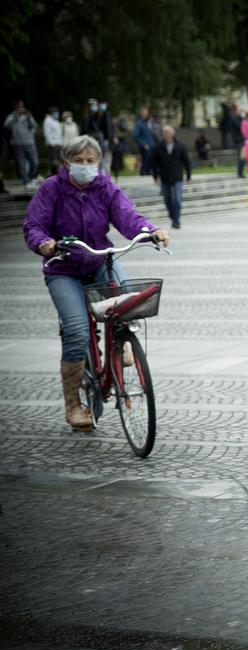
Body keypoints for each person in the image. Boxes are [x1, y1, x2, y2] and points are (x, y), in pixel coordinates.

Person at [21, 134, 170, 431]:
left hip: (98, 260)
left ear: (98, 162)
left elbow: (127, 217)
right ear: (67, 163)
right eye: (79, 161)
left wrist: (150, 231)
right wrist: (45, 243)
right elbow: (33, 225)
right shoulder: (51, 189)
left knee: (127, 300)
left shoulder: (105, 187)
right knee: (77, 331)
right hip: (62, 268)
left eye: (91, 161)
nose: (85, 167)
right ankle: (74, 404)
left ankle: (121, 341)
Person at [151, 124, 191, 229]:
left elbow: (186, 161)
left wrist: (189, 175)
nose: (165, 134)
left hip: (177, 176)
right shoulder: (159, 147)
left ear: (172, 134)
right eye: (163, 132)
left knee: (177, 198)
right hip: (165, 177)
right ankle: (173, 216)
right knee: (167, 199)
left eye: (167, 132)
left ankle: (176, 221)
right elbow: (154, 163)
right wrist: (155, 176)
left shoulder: (180, 146)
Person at [5, 100, 40, 189]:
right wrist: (15, 116)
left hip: (29, 142)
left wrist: (29, 117)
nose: (21, 108)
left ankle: (31, 179)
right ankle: (26, 182)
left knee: (34, 162)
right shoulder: (12, 116)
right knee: (21, 164)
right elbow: (6, 125)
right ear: (15, 107)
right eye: (19, 107)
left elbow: (35, 125)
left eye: (22, 106)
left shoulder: (27, 115)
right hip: (17, 143)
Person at [133, 106, 156, 174]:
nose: (145, 114)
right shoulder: (139, 123)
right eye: (143, 113)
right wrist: (143, 144)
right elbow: (135, 135)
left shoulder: (148, 122)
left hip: (152, 146)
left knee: (151, 164)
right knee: (145, 164)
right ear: (141, 114)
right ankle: (143, 175)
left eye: (146, 113)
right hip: (146, 147)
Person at [43, 107, 63, 176]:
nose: (57, 114)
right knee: (53, 161)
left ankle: (56, 174)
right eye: (55, 112)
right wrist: (51, 143)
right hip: (52, 144)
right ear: (51, 113)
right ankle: (50, 174)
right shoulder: (47, 121)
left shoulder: (56, 121)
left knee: (58, 161)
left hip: (58, 143)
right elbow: (47, 133)